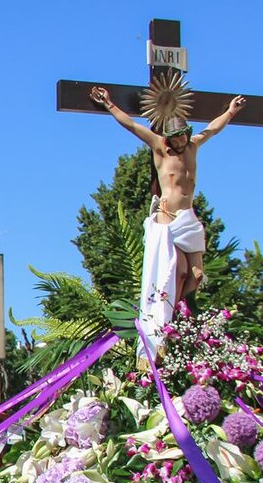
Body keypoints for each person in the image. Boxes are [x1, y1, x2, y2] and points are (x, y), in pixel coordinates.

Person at [90, 85, 246, 338]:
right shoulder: (161, 149)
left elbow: (212, 129)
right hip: (167, 216)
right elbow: (131, 125)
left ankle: (181, 316)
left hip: (189, 217)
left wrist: (230, 112)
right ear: (168, 137)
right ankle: (165, 319)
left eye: (182, 136)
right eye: (175, 137)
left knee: (196, 276)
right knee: (175, 271)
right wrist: (109, 104)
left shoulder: (193, 146)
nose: (180, 141)